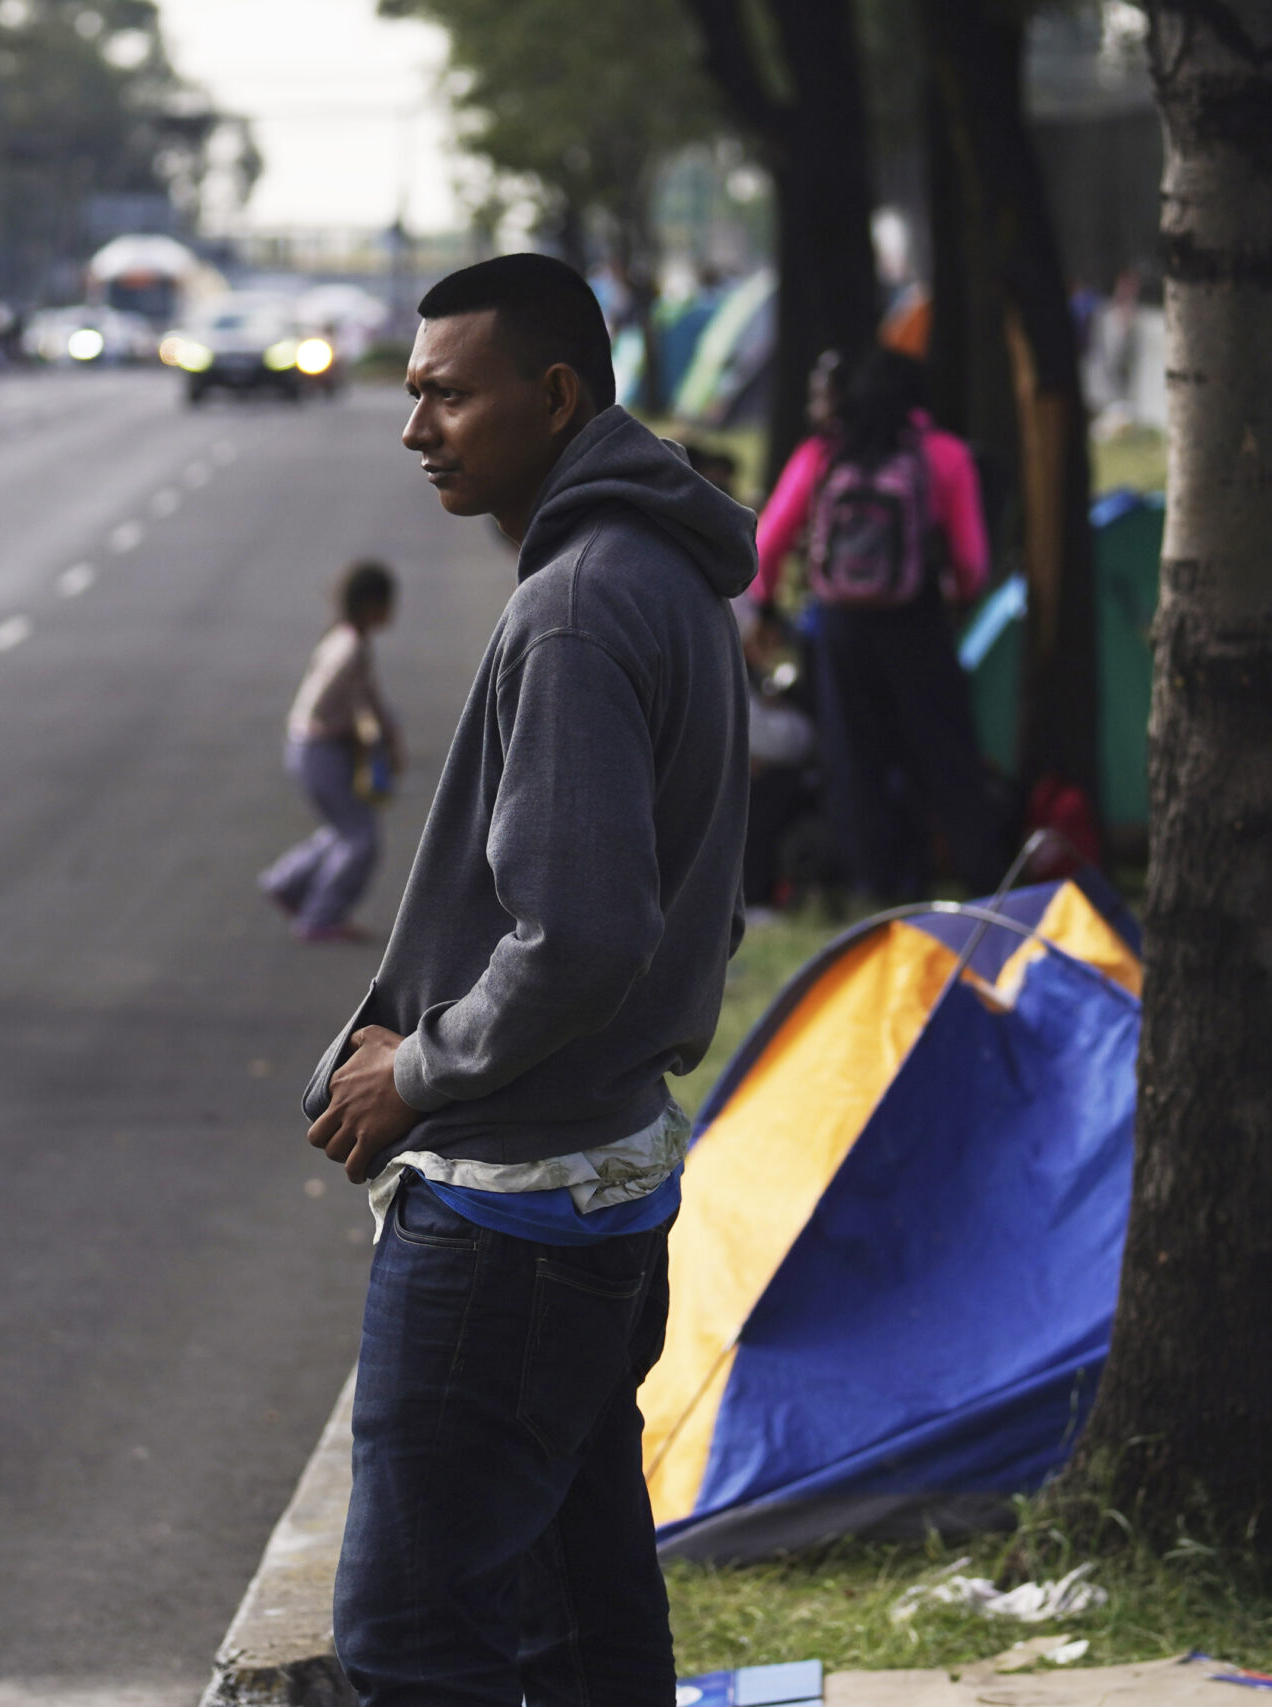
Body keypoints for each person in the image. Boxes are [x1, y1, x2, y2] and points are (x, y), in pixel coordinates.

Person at [302, 252, 754, 1707]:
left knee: (412, 1646)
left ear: (556, 396)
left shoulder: (574, 603)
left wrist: (412, 1067)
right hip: (605, 1174)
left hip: (511, 1210)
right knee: (580, 1626)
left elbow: (580, 934)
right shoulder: (659, 572)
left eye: (448, 392)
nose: (416, 424)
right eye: (415, 390)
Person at [750, 347, 1006, 901]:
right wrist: (958, 598)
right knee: (944, 749)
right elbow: (972, 560)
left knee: (853, 756)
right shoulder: (944, 455)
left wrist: (768, 608)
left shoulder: (823, 453)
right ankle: (979, 873)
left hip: (840, 625)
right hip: (917, 619)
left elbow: (767, 543)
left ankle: (874, 883)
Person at [260, 559, 399, 943]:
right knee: (360, 838)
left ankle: (287, 882)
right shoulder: (351, 648)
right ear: (372, 605)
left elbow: (367, 699)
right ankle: (320, 916)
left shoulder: (345, 638)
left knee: (345, 829)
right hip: (319, 748)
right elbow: (324, 704)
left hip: (308, 747)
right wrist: (356, 736)